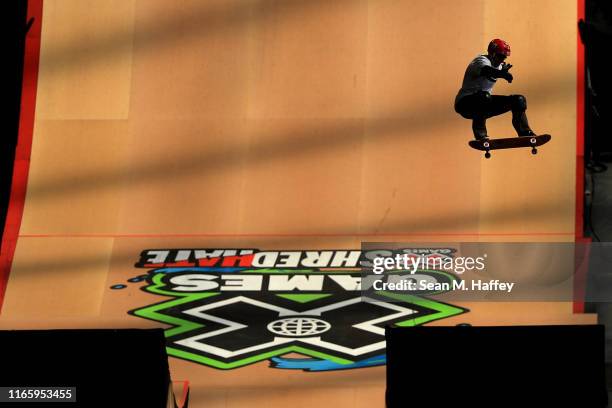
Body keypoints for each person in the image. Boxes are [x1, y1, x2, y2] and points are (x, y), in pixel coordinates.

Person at [455, 38, 535, 141]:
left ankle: (524, 132)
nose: (502, 60)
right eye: (500, 56)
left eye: (504, 57)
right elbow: (487, 70)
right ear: (492, 54)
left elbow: (498, 70)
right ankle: (480, 134)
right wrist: (502, 74)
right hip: (465, 104)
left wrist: (504, 72)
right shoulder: (480, 61)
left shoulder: (500, 66)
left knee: (518, 100)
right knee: (484, 96)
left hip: (483, 106)